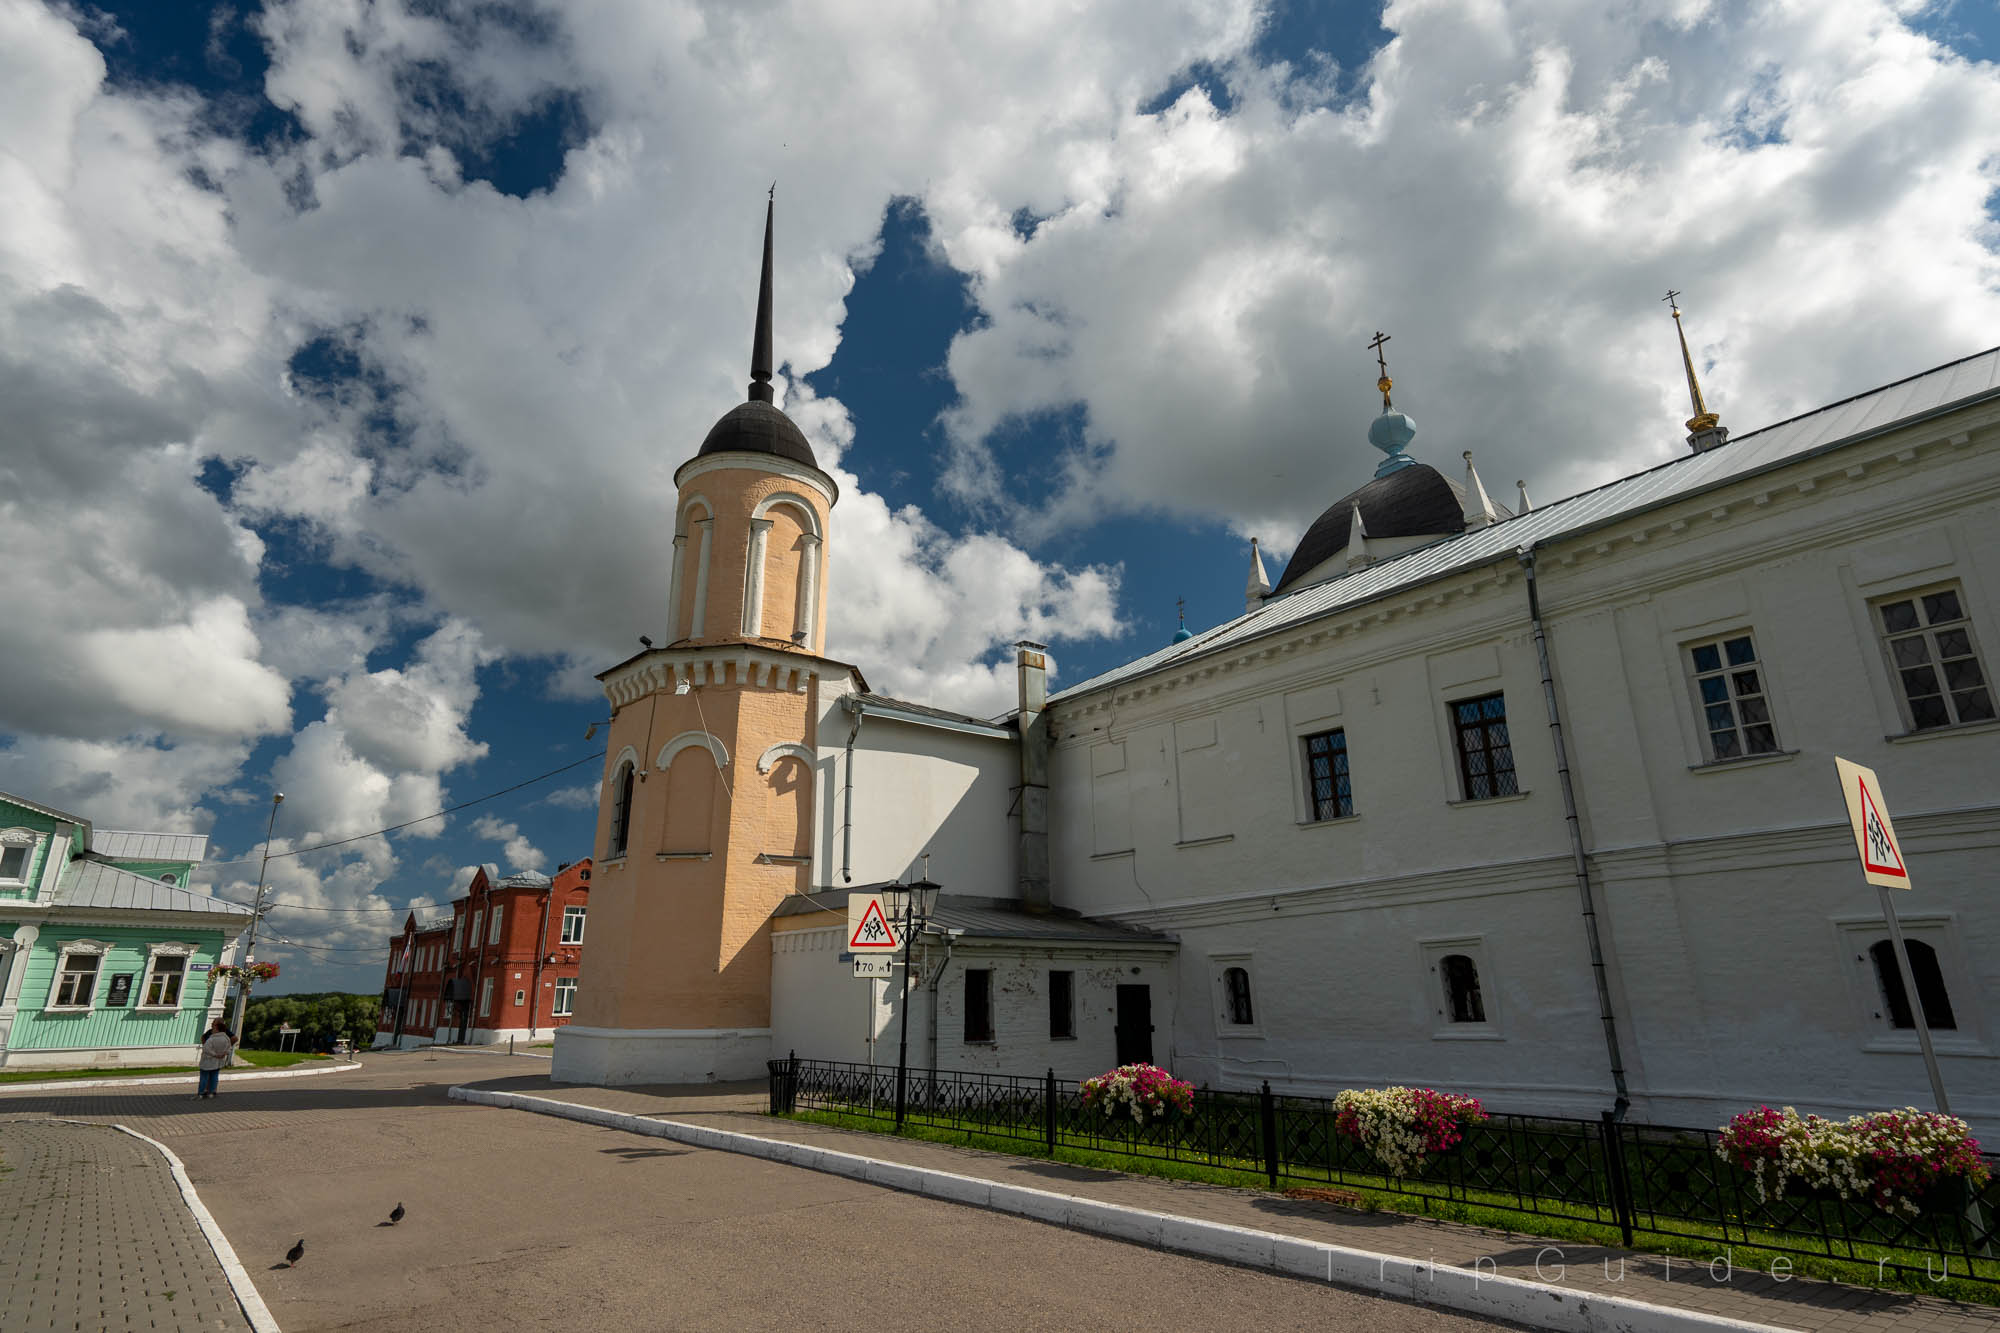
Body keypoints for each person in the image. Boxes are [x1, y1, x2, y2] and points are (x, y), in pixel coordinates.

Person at [196, 1019, 236, 1100]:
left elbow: (206, 1049)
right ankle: (211, 1093)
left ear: (217, 1027)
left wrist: (215, 1054)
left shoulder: (212, 1038)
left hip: (208, 1060)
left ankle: (201, 1093)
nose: (212, 1028)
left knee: (204, 1077)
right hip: (218, 1061)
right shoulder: (226, 1038)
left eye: (214, 1025)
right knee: (214, 1076)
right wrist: (223, 1053)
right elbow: (229, 1048)